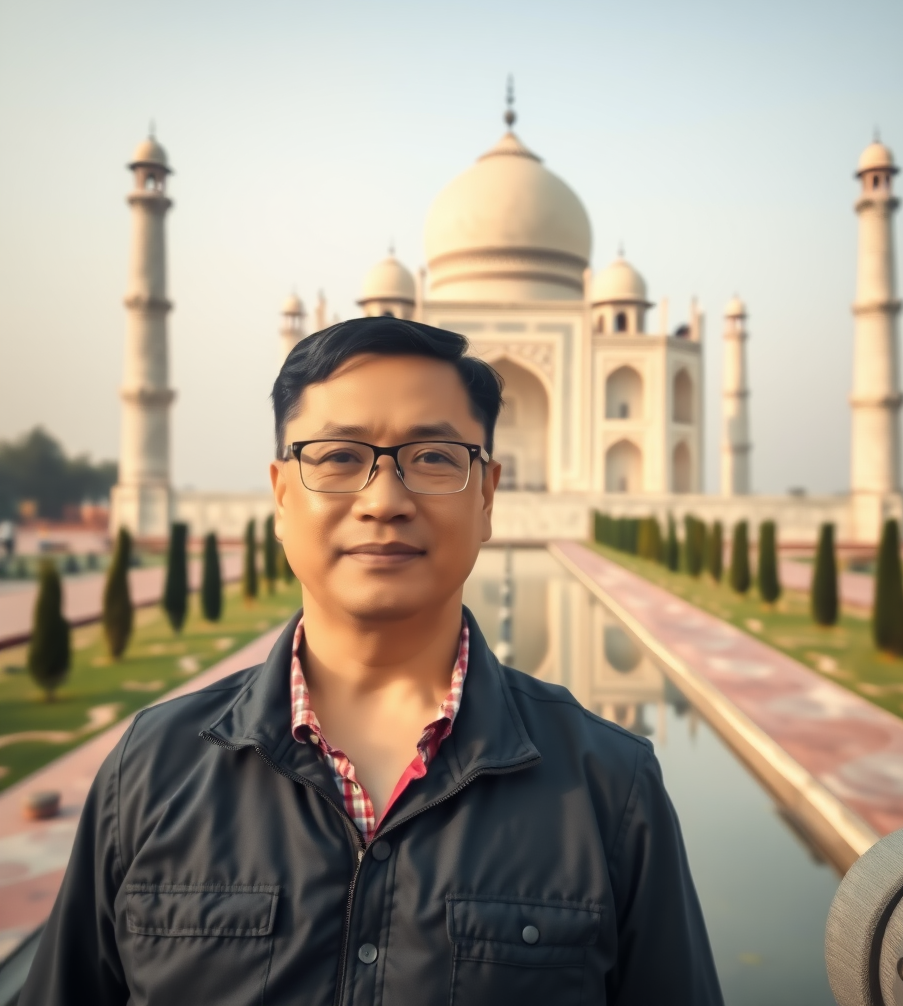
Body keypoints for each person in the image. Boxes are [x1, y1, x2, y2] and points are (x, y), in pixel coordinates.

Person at [22, 318, 723, 1005]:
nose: (384, 501)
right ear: (282, 492)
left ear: (487, 496)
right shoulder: (153, 768)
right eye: (337, 457)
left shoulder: (608, 787)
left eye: (435, 459)